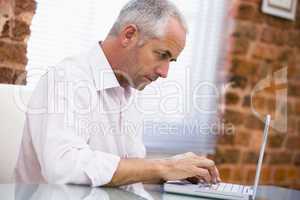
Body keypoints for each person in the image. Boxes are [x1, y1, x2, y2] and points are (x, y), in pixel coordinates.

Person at [15, 0, 221, 187]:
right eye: (161, 55)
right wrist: (163, 167)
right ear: (129, 35)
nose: (164, 72)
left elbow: (125, 174)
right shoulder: (66, 78)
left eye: (171, 61)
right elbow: (62, 167)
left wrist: (172, 173)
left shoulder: (130, 90)